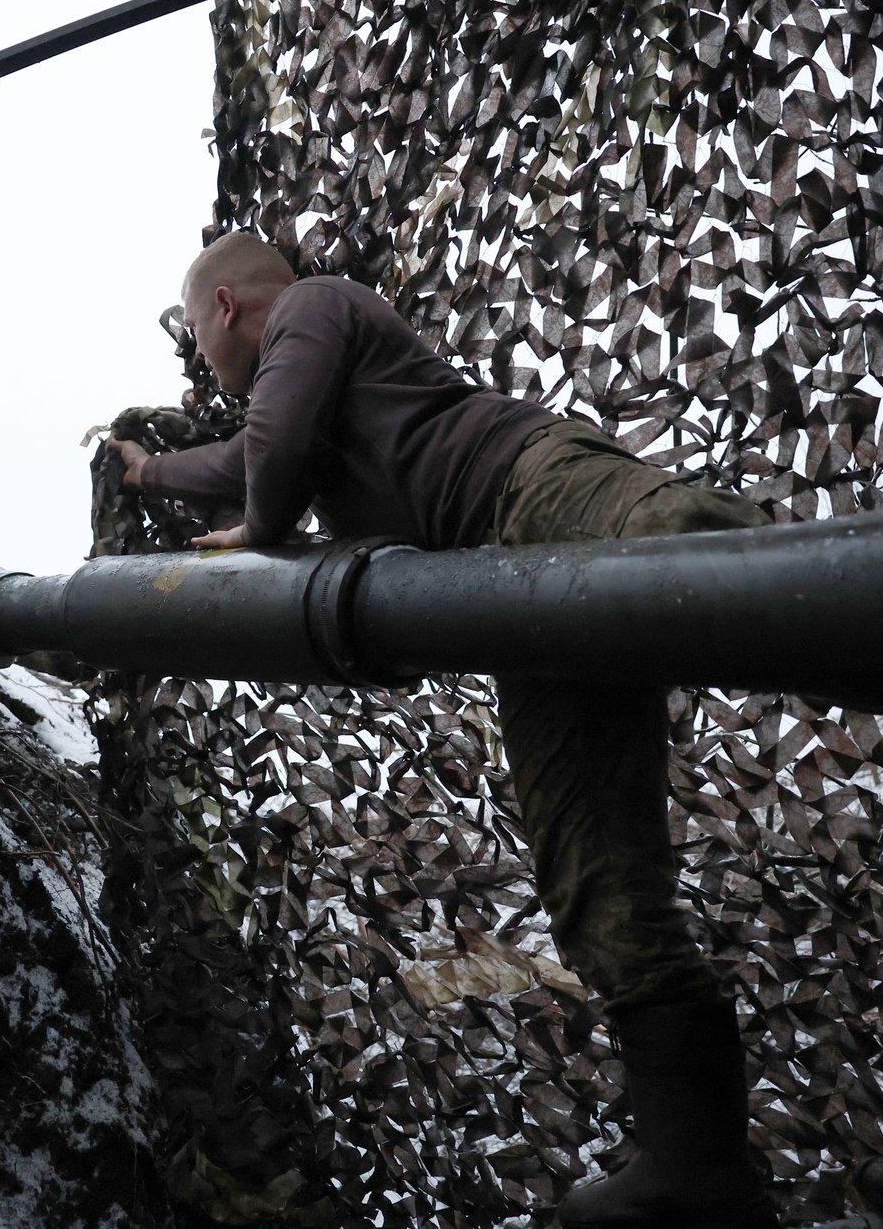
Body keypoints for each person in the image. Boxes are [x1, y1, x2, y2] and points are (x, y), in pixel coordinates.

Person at [107, 232, 777, 1229]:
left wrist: (256, 523)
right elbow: (255, 459)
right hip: (515, 605)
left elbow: (270, 459)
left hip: (535, 486)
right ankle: (699, 1164)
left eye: (194, 332)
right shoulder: (298, 379)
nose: (198, 357)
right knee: (594, 880)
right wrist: (149, 469)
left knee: (733, 573)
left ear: (225, 307)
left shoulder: (312, 305)